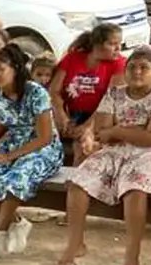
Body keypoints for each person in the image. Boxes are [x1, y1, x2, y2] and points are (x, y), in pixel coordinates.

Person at [56, 48, 151, 265]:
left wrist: (118, 130)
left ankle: (132, 255)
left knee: (134, 188)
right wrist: (133, 131)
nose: (137, 72)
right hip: (113, 152)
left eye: (144, 68)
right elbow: (102, 132)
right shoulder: (114, 93)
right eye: (132, 67)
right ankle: (75, 244)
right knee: (78, 182)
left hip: (150, 155)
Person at [0, 44, 63, 258]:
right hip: (12, 143)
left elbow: (44, 137)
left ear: (15, 68)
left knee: (16, 177)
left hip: (43, 148)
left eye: (0, 69)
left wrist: (9, 157)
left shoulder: (36, 92)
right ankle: (17, 222)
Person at [50, 23, 126, 162]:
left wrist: (88, 126)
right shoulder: (73, 58)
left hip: (100, 115)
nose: (118, 48)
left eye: (119, 44)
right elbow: (54, 91)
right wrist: (62, 117)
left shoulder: (119, 64)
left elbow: (109, 100)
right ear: (98, 44)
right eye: (112, 44)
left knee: (84, 145)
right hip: (70, 113)